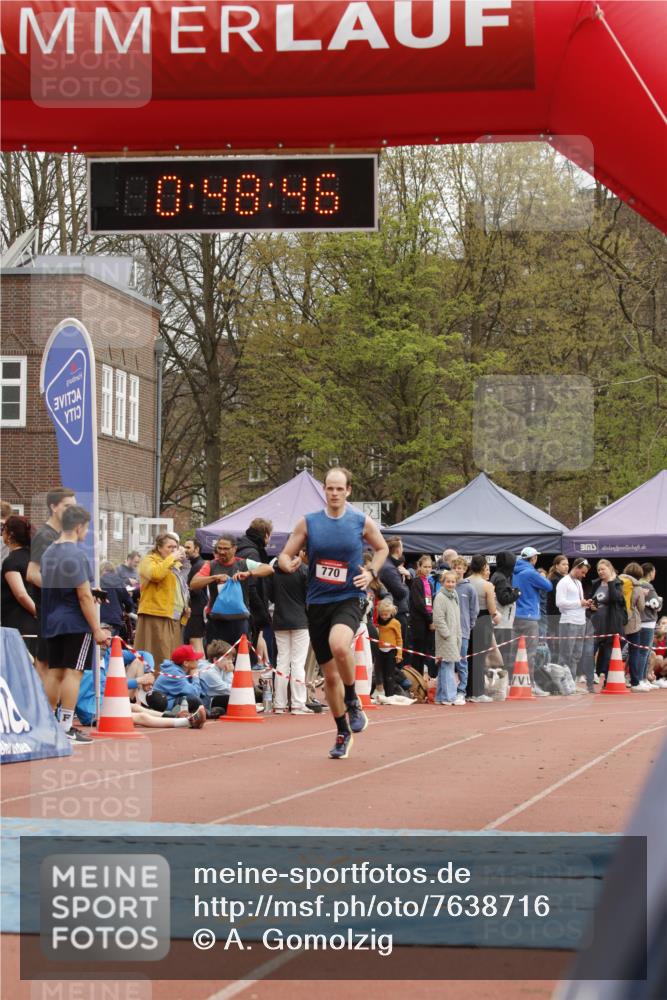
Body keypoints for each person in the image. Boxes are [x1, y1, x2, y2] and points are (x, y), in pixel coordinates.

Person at [277, 466, 389, 760]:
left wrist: (371, 572)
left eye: (340, 488)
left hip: (349, 596)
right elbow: (285, 554)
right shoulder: (309, 522)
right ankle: (342, 731)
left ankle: (353, 700)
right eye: (330, 488)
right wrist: (287, 563)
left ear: (348, 490)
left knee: (340, 645)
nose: (335, 493)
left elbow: (382, 549)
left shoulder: (360, 521)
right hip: (317, 602)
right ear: (324, 490)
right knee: (329, 677)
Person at [39, 505, 111, 744]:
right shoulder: (77, 554)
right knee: (73, 672)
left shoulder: (49, 552)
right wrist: (97, 629)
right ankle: (66, 726)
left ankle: (49, 724)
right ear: (79, 526)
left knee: (55, 672)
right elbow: (83, 596)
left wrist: (89, 592)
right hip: (74, 621)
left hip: (53, 618)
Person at [190, 533, 274, 655]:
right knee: (216, 658)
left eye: (226, 549)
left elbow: (269, 569)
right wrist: (214, 578)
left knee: (241, 659)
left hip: (240, 620)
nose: (222, 552)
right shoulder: (210, 565)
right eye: (219, 548)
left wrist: (249, 573)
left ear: (234, 549)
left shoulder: (243, 563)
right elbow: (193, 584)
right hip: (216, 620)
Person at [27, 486, 77, 679]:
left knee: (55, 663)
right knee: (46, 662)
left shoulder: (60, 536)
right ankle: (40, 698)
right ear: (53, 507)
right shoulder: (44, 536)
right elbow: (32, 574)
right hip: (50, 610)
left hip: (59, 610)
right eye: (67, 506)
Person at [135, 533, 189, 671]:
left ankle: (169, 681)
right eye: (169, 547)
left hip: (173, 616)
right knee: (159, 655)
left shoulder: (173, 564)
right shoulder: (148, 560)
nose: (173, 550)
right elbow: (156, 575)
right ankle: (155, 681)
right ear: (159, 547)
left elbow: (182, 583)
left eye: (175, 547)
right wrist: (172, 558)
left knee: (173, 656)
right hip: (156, 614)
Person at [266, 548, 311, 714]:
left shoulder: (274, 569)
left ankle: (279, 703)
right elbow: (309, 596)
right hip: (300, 619)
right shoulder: (304, 570)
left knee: (282, 661)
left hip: (280, 619)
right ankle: (298, 703)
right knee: (298, 662)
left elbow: (270, 595)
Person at [512, 547, 553, 685]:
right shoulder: (530, 572)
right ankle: (529, 683)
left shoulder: (514, 571)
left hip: (515, 615)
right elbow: (548, 586)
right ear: (533, 558)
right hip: (529, 617)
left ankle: (514, 682)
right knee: (530, 653)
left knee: (514, 651)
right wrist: (542, 577)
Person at [1, 515, 37, 656]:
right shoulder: (35, 558)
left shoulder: (11, 561)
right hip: (36, 628)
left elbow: (21, 594)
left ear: (10, 535)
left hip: (17, 627)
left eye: (3, 529)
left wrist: (37, 612)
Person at [235, 518, 274, 651]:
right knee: (248, 652)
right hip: (249, 610)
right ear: (266, 534)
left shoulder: (240, 547)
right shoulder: (253, 552)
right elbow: (252, 586)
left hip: (239, 605)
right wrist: (261, 615)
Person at [556, 558, 594, 692]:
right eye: (582, 572)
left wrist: (586, 604)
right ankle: (561, 685)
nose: (584, 575)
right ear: (577, 567)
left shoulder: (577, 582)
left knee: (576, 656)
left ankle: (571, 684)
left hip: (580, 621)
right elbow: (559, 603)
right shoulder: (564, 582)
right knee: (566, 655)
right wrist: (579, 603)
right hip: (568, 621)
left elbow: (578, 602)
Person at [466, 555, 501, 702]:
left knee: (468, 657)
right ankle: (478, 692)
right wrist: (497, 615)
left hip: (467, 620)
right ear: (483, 567)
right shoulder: (487, 585)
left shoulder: (465, 582)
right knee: (480, 658)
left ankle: (467, 691)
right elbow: (492, 609)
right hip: (483, 620)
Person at [590, 559, 627, 685]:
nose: (600, 572)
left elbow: (615, 598)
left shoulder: (617, 583)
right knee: (590, 650)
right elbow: (592, 599)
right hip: (596, 624)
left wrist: (610, 582)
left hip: (611, 625)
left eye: (603, 569)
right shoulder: (596, 584)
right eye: (598, 570)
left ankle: (608, 679)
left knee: (608, 654)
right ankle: (591, 675)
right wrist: (591, 607)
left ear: (610, 569)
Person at [449, 557, 478, 705]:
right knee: (447, 662)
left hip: (463, 631)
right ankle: (449, 690)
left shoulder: (469, 588)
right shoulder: (448, 586)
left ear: (465, 570)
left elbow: (474, 609)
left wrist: (469, 624)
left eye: (460, 568)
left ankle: (461, 691)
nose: (457, 570)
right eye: (455, 567)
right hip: (448, 631)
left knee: (462, 662)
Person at [433, 570, 463, 706]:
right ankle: (449, 697)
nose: (451, 584)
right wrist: (447, 634)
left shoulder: (454, 595)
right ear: (442, 582)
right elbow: (438, 618)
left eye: (453, 581)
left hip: (454, 635)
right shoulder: (440, 597)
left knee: (446, 666)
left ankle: (441, 696)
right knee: (447, 666)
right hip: (446, 637)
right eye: (448, 581)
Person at [149, 644, 206, 713]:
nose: (198, 661)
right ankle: (208, 714)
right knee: (193, 700)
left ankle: (208, 713)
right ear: (186, 663)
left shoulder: (180, 670)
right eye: (196, 659)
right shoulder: (174, 673)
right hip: (163, 705)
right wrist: (195, 677)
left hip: (172, 700)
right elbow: (195, 694)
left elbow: (202, 692)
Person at [378, 537, 411, 656]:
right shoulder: (389, 568)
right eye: (402, 547)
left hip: (395, 610)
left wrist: (408, 575)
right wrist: (405, 585)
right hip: (395, 612)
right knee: (398, 649)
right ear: (398, 550)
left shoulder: (390, 565)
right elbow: (401, 592)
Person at [619, 562, 647, 691]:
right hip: (632, 623)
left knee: (615, 650)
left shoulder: (617, 581)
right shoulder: (637, 586)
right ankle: (635, 682)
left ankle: (609, 679)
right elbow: (641, 607)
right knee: (634, 652)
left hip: (617, 621)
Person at [490, 552, 518, 674]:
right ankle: (500, 678)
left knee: (499, 654)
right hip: (502, 623)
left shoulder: (498, 575)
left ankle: (497, 677)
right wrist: (516, 593)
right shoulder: (501, 578)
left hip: (501, 622)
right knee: (502, 655)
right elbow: (503, 599)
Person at [409, 555, 436, 676]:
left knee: (425, 651)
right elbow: (419, 603)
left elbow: (430, 602)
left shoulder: (429, 583)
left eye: (429, 567)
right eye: (425, 567)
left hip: (427, 619)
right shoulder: (416, 582)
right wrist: (430, 620)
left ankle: (423, 677)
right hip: (419, 621)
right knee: (418, 652)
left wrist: (431, 618)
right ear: (419, 567)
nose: (428, 569)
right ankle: (416, 678)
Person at [638, 564, 663, 688]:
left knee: (643, 652)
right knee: (644, 653)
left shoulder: (637, 583)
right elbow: (656, 605)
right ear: (651, 572)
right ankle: (641, 679)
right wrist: (660, 600)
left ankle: (642, 679)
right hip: (647, 622)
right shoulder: (647, 585)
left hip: (640, 621)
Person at [374, 597, 403, 698]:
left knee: (389, 675)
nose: (384, 617)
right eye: (382, 614)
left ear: (391, 613)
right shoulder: (378, 622)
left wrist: (399, 654)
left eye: (386, 614)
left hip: (391, 651)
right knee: (380, 673)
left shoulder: (395, 623)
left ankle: (390, 695)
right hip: (380, 651)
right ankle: (382, 693)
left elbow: (399, 639)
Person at [197, 639, 236, 714]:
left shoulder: (220, 667)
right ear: (215, 660)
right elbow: (230, 690)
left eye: (232, 659)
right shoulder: (209, 672)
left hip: (217, 696)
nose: (230, 662)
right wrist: (229, 672)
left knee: (251, 691)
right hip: (208, 703)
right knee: (234, 697)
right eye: (227, 659)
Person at [99, 561, 134, 637]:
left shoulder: (97, 581)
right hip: (115, 620)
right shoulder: (119, 582)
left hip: (100, 618)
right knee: (112, 643)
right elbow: (128, 601)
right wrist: (127, 611)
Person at [183, 538, 206, 652]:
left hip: (196, 610)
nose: (185, 550)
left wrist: (183, 590)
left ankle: (200, 664)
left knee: (195, 641)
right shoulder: (196, 564)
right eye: (185, 547)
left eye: (188, 547)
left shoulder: (199, 565)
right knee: (195, 641)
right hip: (196, 609)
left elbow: (195, 589)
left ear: (196, 549)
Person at [546, 555, 569, 660]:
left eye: (567, 564)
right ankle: (555, 662)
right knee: (557, 642)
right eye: (563, 564)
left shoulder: (561, 578)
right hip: (556, 615)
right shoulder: (556, 580)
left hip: (556, 615)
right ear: (556, 566)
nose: (566, 566)